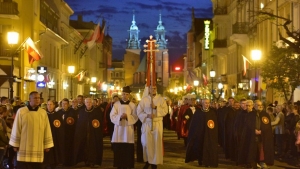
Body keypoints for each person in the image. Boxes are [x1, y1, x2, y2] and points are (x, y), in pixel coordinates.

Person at [9, 91, 53, 169]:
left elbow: (47, 129)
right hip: (23, 147)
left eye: (38, 98)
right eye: (35, 98)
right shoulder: (21, 111)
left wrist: (47, 144)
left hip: (38, 147)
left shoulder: (43, 113)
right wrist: (15, 144)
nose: (37, 100)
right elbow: (17, 128)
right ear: (29, 99)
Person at [137, 85, 168, 169]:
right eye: (151, 88)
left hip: (157, 124)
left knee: (155, 143)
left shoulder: (161, 99)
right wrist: (147, 115)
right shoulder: (144, 100)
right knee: (146, 143)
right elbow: (139, 112)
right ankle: (148, 161)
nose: (153, 90)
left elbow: (165, 111)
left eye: (155, 88)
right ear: (149, 89)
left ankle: (154, 162)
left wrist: (156, 108)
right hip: (147, 123)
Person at [110, 86, 138, 169]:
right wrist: (120, 117)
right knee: (119, 148)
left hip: (128, 129)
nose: (124, 96)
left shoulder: (132, 105)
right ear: (121, 95)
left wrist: (127, 117)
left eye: (126, 94)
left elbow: (135, 116)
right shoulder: (116, 104)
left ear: (129, 95)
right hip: (119, 129)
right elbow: (112, 116)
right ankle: (119, 164)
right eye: (123, 94)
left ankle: (128, 164)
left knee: (128, 148)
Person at [185, 98, 218, 168]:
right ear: (202, 103)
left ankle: (207, 162)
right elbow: (194, 124)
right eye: (205, 103)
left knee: (208, 147)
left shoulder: (212, 112)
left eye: (208, 103)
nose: (207, 104)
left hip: (209, 134)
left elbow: (215, 124)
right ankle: (200, 160)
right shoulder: (198, 112)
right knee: (200, 147)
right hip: (200, 134)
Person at [73, 98, 103, 167]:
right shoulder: (82, 111)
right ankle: (86, 160)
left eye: (90, 102)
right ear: (85, 103)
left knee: (93, 147)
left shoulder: (97, 111)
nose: (88, 104)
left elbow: (99, 123)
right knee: (85, 147)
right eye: (87, 102)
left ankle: (92, 161)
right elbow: (80, 123)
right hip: (84, 133)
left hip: (93, 133)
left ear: (92, 103)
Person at [44, 100, 65, 169]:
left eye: (51, 104)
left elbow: (61, 126)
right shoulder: (44, 115)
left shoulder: (57, 115)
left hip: (55, 136)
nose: (49, 106)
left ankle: (55, 162)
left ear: (54, 106)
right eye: (48, 104)